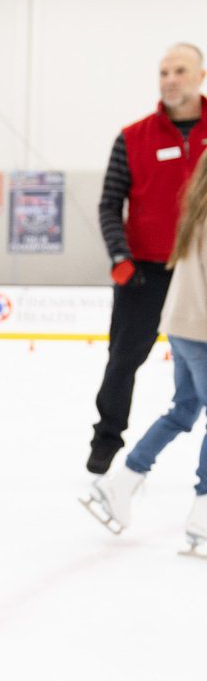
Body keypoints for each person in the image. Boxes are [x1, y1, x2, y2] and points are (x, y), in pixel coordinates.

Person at [87, 43, 207, 477]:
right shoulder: (133, 137)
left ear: (200, 76)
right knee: (123, 358)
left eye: (179, 70)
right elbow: (108, 205)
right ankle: (107, 438)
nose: (170, 79)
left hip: (201, 273)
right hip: (143, 272)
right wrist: (120, 256)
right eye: (163, 72)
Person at [88, 149, 207, 547]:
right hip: (201, 329)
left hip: (182, 325)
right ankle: (203, 513)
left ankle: (122, 484)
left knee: (184, 411)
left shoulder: (194, 210)